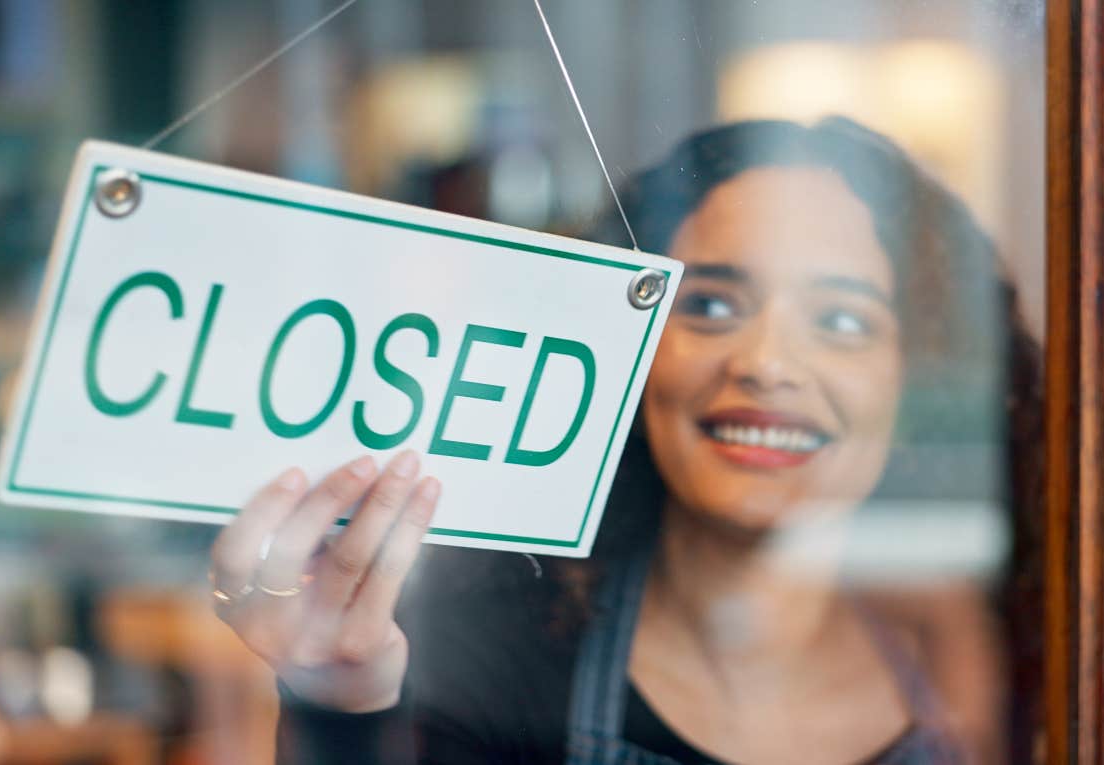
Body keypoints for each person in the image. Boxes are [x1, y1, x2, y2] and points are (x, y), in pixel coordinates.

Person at [207, 118, 1043, 764]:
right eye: (711, 305)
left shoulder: (987, 659)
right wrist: (343, 701)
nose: (766, 364)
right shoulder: (483, 658)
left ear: (916, 375)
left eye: (842, 320)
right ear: (625, 355)